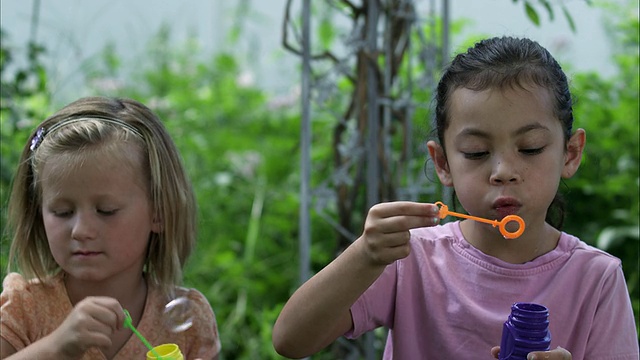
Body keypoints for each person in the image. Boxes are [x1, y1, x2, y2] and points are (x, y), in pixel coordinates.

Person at [272, 36, 639, 359]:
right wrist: (365, 254)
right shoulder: (411, 258)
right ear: (443, 162)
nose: (502, 171)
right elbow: (291, 340)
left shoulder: (596, 279)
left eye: (530, 148)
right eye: (477, 152)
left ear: (570, 154)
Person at [1, 97, 221, 359]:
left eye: (106, 211)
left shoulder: (190, 323)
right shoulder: (25, 308)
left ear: (159, 212)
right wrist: (55, 347)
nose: (81, 230)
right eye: (63, 212)